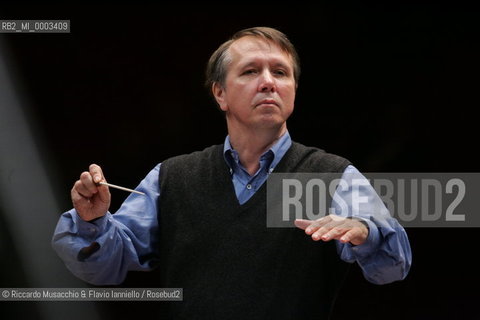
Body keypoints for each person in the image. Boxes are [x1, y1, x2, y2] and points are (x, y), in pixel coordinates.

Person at [52, 27, 411, 319]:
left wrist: (366, 232)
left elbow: (392, 268)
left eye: (280, 72)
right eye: (251, 71)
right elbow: (104, 267)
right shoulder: (173, 177)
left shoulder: (331, 175)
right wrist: (93, 221)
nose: (269, 82)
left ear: (294, 90)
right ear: (220, 93)